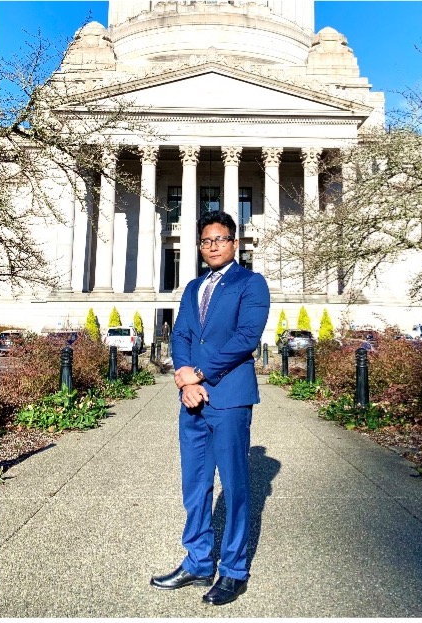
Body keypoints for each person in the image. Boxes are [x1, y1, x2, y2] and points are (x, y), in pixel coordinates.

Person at [150, 211, 270, 606]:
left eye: (219, 239)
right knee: (195, 487)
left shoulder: (251, 283)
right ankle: (199, 561)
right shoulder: (192, 287)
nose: (212, 246)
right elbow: (181, 333)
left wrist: (198, 374)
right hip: (193, 400)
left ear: (235, 243)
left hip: (230, 398)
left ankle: (234, 569)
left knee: (234, 488)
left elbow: (245, 338)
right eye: (205, 240)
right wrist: (184, 376)